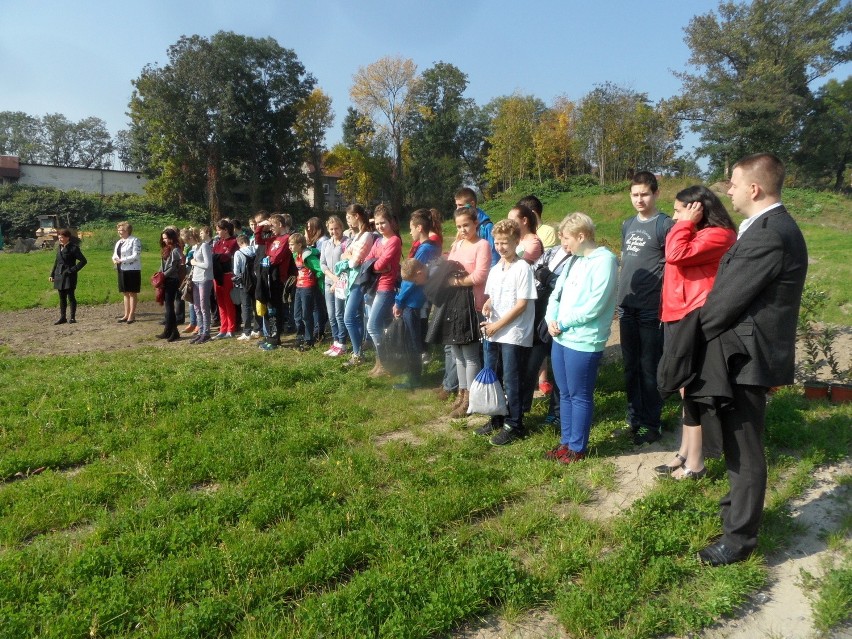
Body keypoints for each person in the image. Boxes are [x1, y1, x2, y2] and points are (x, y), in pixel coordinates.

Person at [691, 153, 807, 566]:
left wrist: (686, 342)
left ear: (754, 189)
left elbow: (724, 302)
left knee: (745, 448)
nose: (729, 190)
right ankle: (736, 512)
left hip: (747, 356)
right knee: (740, 443)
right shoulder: (764, 228)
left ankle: (739, 541)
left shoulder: (769, 233)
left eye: (734, 184)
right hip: (743, 352)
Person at [654, 186, 737, 480]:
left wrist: (685, 223)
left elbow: (675, 253)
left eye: (679, 210)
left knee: (693, 388)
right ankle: (685, 452)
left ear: (697, 209)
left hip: (695, 316)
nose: (674, 218)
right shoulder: (693, 232)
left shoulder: (719, 234)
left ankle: (697, 463)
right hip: (678, 314)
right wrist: (686, 225)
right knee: (683, 387)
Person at [544, 213, 618, 464]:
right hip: (561, 338)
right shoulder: (573, 260)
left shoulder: (605, 260)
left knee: (579, 395)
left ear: (581, 236)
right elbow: (556, 295)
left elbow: (595, 305)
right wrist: (550, 319)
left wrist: (563, 323)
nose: (563, 243)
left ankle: (577, 447)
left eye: (566, 238)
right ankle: (565, 443)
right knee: (564, 393)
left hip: (584, 341)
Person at [617, 171, 674, 445]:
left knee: (649, 367)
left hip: (651, 309)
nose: (639, 199)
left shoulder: (665, 225)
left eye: (645, 194)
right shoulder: (627, 225)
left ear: (656, 194)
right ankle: (634, 417)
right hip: (627, 306)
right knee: (630, 366)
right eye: (635, 194)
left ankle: (652, 423)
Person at [475, 219, 537, 445]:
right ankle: (497, 417)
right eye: (498, 243)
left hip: (513, 333)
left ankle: (515, 423)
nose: (501, 247)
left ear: (517, 241)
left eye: (505, 243)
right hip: (494, 330)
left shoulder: (523, 268)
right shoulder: (495, 268)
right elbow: (492, 295)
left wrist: (497, 326)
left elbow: (521, 304)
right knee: (496, 375)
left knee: (512, 379)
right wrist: (489, 304)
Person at [445, 205, 491, 417]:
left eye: (466, 225)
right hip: (454, 304)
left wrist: (456, 281)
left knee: (470, 354)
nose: (463, 229)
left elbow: (480, 275)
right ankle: (461, 394)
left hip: (473, 304)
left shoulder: (482, 245)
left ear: (475, 224)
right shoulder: (458, 244)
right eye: (459, 226)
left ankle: (471, 398)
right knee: (457, 352)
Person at [365, 206, 403, 377]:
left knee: (372, 326)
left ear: (391, 222)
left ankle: (386, 363)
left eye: (383, 223)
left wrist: (375, 266)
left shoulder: (394, 240)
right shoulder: (379, 241)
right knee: (378, 326)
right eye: (378, 223)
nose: (380, 227)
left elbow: (378, 264)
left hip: (386, 288)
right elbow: (368, 260)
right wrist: (377, 266)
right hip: (375, 287)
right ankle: (380, 362)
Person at [340, 204, 375, 366]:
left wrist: (348, 256)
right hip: (353, 280)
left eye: (348, 217)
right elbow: (344, 255)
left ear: (357, 216)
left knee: (348, 317)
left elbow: (354, 261)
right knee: (356, 316)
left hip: (359, 280)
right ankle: (359, 351)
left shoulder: (367, 235)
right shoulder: (357, 235)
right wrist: (347, 255)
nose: (347, 221)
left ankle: (357, 354)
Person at [255, 213, 293, 351]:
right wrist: (260, 226)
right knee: (268, 307)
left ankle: (275, 338)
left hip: (277, 279)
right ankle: (270, 335)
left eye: (273, 225)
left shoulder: (286, 238)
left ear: (281, 224)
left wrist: (267, 259)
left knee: (274, 309)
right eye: (269, 225)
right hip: (267, 277)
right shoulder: (272, 239)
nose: (271, 228)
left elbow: (277, 258)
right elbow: (258, 240)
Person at [289, 232, 323, 351]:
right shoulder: (296, 255)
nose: (290, 247)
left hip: (308, 287)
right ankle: (300, 336)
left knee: (306, 315)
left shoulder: (308, 255)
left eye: (292, 244)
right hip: (299, 286)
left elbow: (320, 269)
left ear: (299, 244)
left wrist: (313, 275)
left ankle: (309, 340)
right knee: (297, 314)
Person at [320, 215, 348, 357]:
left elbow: (347, 265)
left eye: (336, 228)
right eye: (331, 229)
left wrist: (338, 281)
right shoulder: (326, 243)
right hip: (328, 282)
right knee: (331, 315)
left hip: (341, 282)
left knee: (339, 314)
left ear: (341, 228)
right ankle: (335, 341)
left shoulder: (346, 243)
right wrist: (331, 277)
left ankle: (342, 343)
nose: (334, 231)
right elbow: (322, 264)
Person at [49, 228, 87, 325]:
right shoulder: (59, 247)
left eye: (62, 237)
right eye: (59, 237)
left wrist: (72, 270)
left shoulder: (74, 248)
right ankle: (63, 317)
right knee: (62, 297)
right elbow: (57, 262)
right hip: (59, 275)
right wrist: (52, 274)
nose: (60, 239)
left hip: (69, 275)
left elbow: (83, 261)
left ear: (67, 237)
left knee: (71, 296)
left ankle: (73, 318)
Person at [455, 187, 498, 266]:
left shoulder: (487, 227)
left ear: (472, 204)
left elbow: (493, 255)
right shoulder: (462, 225)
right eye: (456, 205)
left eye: (460, 205)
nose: (457, 209)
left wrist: (490, 276)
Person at [212, 219, 238, 339]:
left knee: (228, 302)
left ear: (226, 230)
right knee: (220, 303)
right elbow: (213, 256)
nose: (217, 233)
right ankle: (223, 328)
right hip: (217, 275)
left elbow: (225, 257)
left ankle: (231, 328)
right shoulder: (217, 243)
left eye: (219, 230)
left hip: (227, 275)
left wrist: (216, 257)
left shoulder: (233, 242)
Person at [157, 227, 184, 342]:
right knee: (168, 306)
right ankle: (168, 330)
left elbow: (173, 268)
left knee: (169, 307)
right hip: (166, 279)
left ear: (172, 238)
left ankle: (173, 331)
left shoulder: (176, 250)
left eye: (167, 238)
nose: (165, 241)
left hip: (172, 280)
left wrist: (163, 276)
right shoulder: (167, 249)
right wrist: (158, 275)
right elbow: (163, 265)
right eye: (163, 238)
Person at [112, 221, 141, 324]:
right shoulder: (119, 242)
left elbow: (136, 255)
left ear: (128, 230)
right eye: (119, 230)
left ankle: (131, 315)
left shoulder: (135, 240)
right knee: (125, 292)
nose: (120, 232)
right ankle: (126, 314)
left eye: (122, 230)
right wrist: (115, 259)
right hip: (121, 269)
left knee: (132, 292)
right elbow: (115, 254)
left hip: (132, 269)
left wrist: (122, 260)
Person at [189, 227, 214, 344]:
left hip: (204, 278)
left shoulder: (204, 246)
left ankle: (206, 332)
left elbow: (208, 265)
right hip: (195, 279)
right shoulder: (196, 247)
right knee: (196, 307)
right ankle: (200, 330)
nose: (188, 242)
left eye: (189, 239)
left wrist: (195, 263)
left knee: (204, 306)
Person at [233, 234, 257, 341]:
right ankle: (257, 329)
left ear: (239, 243)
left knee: (246, 307)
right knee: (256, 305)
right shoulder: (255, 250)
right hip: (255, 281)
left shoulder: (238, 253)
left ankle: (247, 331)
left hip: (244, 282)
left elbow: (236, 270)